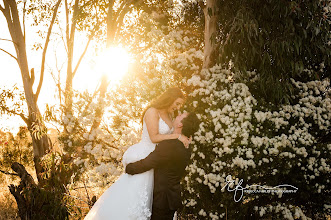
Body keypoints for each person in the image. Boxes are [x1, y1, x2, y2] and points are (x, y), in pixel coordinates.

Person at [84, 87, 191, 220]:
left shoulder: (170, 116)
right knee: (136, 201)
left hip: (159, 160)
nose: (178, 107)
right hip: (147, 156)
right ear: (170, 99)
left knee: (154, 202)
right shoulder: (152, 111)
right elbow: (154, 137)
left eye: (180, 104)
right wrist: (176, 137)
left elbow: (173, 136)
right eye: (177, 103)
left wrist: (183, 138)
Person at [126, 112, 200, 220]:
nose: (177, 115)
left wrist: (128, 167)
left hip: (162, 199)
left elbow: (147, 163)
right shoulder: (186, 145)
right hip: (170, 196)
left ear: (180, 125)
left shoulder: (170, 145)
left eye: (180, 116)